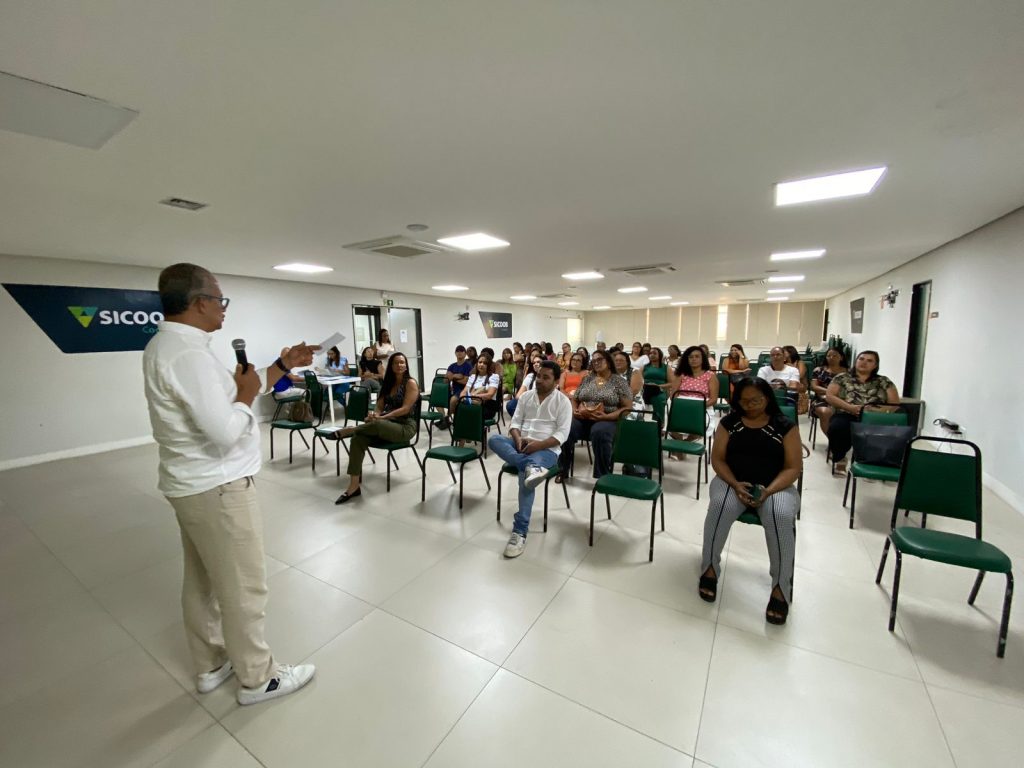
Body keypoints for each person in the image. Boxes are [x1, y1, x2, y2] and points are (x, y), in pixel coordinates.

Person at [143, 263, 316, 705]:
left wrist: (282, 365)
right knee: (244, 585)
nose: (224, 308)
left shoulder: (171, 346)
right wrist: (244, 395)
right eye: (220, 299)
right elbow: (224, 429)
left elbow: (235, 393)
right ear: (199, 302)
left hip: (193, 484)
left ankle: (211, 663)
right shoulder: (188, 356)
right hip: (218, 487)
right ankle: (259, 678)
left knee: (203, 581)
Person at [698, 377, 802, 625]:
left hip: (775, 487)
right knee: (720, 506)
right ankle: (709, 568)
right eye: (744, 401)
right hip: (732, 481)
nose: (750, 405)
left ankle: (780, 586)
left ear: (767, 398)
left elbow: (793, 468)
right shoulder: (730, 423)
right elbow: (718, 459)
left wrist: (768, 490)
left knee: (780, 516)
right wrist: (735, 484)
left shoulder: (785, 426)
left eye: (756, 400)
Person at [488, 361, 573, 558]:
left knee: (524, 479)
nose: (540, 380)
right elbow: (515, 423)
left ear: (556, 381)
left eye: (546, 377)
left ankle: (520, 532)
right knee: (494, 439)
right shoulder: (526, 397)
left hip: (546, 450)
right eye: (538, 376)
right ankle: (529, 466)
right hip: (521, 443)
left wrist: (537, 445)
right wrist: (518, 440)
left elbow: (562, 435)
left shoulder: (563, 402)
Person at [335, 353, 420, 503]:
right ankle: (354, 486)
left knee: (376, 424)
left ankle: (351, 430)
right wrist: (375, 415)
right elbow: (379, 406)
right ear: (391, 366)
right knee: (358, 439)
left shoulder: (410, 383)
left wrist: (381, 418)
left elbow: (405, 409)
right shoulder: (387, 383)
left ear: (406, 365)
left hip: (405, 426)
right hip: (385, 424)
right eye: (396, 363)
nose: (400, 365)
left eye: (402, 362)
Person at [558, 350, 633, 480]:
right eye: (594, 360)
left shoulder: (619, 381)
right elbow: (575, 398)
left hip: (608, 418)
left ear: (608, 362)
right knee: (566, 428)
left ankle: (602, 475)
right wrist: (575, 410)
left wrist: (607, 417)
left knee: (600, 432)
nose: (596, 362)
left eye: (600, 359)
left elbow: (627, 408)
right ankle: (562, 469)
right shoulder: (588, 378)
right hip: (583, 417)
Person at [824, 350, 900, 473]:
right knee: (837, 427)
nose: (864, 362)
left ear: (875, 365)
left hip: (874, 416)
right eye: (861, 359)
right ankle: (840, 458)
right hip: (847, 412)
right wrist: (850, 408)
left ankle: (870, 463)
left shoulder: (883, 381)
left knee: (880, 433)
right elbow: (830, 396)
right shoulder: (842, 377)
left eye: (869, 361)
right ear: (856, 361)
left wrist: (876, 412)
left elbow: (895, 403)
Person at [667, 345, 719, 451]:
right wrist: (682, 405)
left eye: (697, 356)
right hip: (681, 405)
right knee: (671, 415)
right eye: (690, 357)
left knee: (701, 424)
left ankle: (682, 446)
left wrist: (696, 407)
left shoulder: (710, 376)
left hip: (702, 407)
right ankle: (680, 444)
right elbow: (673, 395)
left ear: (703, 359)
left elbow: (713, 399)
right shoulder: (681, 374)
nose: (693, 359)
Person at [811, 347, 848, 437]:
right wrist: (830, 392)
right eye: (828, 356)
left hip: (843, 399)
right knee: (825, 412)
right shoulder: (819, 370)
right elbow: (814, 387)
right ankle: (832, 440)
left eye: (834, 356)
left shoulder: (849, 372)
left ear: (841, 357)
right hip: (822, 399)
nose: (831, 358)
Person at [436, 345, 473, 429]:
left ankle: (448, 418)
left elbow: (465, 381)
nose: (459, 353)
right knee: (438, 400)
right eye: (457, 351)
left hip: (463, 391)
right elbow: (445, 380)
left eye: (461, 351)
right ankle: (444, 418)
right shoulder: (452, 366)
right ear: (455, 353)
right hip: (453, 390)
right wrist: (457, 376)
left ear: (465, 354)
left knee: (453, 400)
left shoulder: (468, 366)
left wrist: (452, 377)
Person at [612, 349, 646, 417]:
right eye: (616, 360)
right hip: (614, 402)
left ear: (627, 362)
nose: (618, 362)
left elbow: (632, 392)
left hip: (633, 402)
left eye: (621, 360)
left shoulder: (635, 372)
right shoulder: (612, 374)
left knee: (627, 416)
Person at [641, 346, 670, 423]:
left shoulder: (666, 367)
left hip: (660, 390)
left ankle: (659, 423)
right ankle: (640, 421)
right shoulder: (644, 367)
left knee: (658, 399)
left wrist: (658, 386)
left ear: (660, 355)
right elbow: (639, 380)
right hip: (645, 389)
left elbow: (671, 383)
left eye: (654, 353)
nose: (652, 355)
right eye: (650, 353)